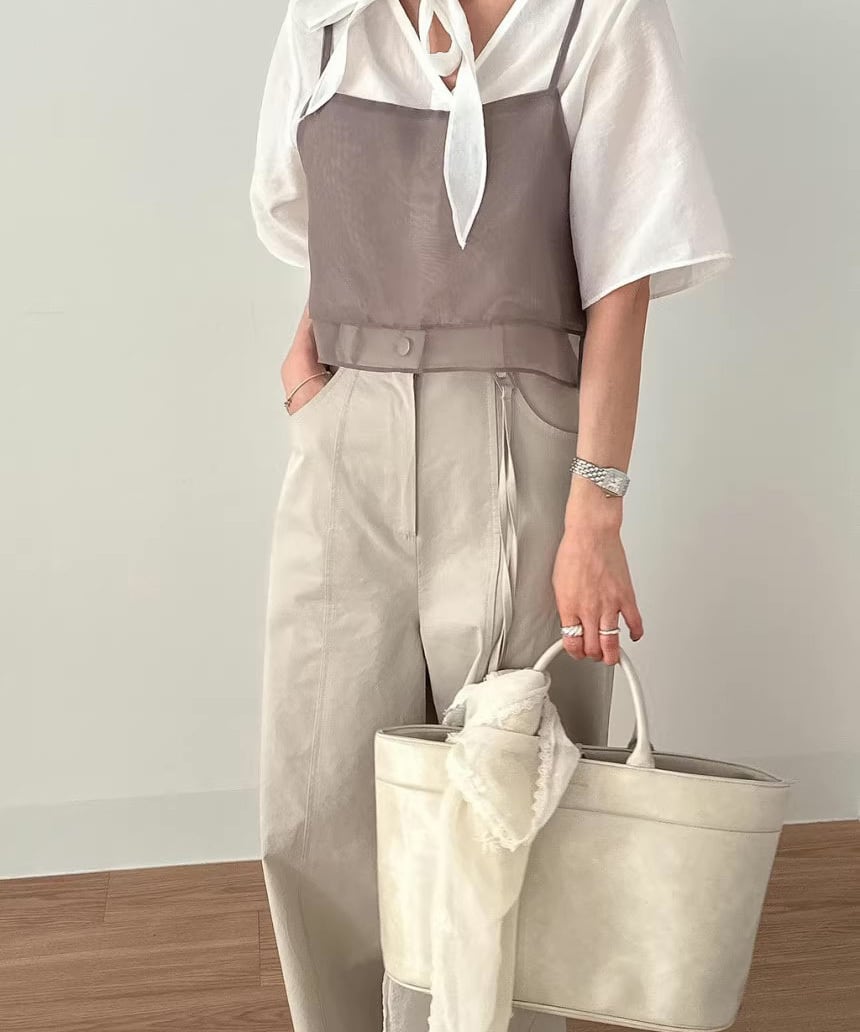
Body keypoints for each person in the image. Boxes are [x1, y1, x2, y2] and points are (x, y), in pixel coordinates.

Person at [249, 0, 732, 1030]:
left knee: (509, 798)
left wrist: (596, 507)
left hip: (522, 441)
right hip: (348, 439)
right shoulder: (329, 20)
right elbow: (315, 223)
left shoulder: (597, 18)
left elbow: (624, 275)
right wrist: (310, 378)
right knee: (318, 804)